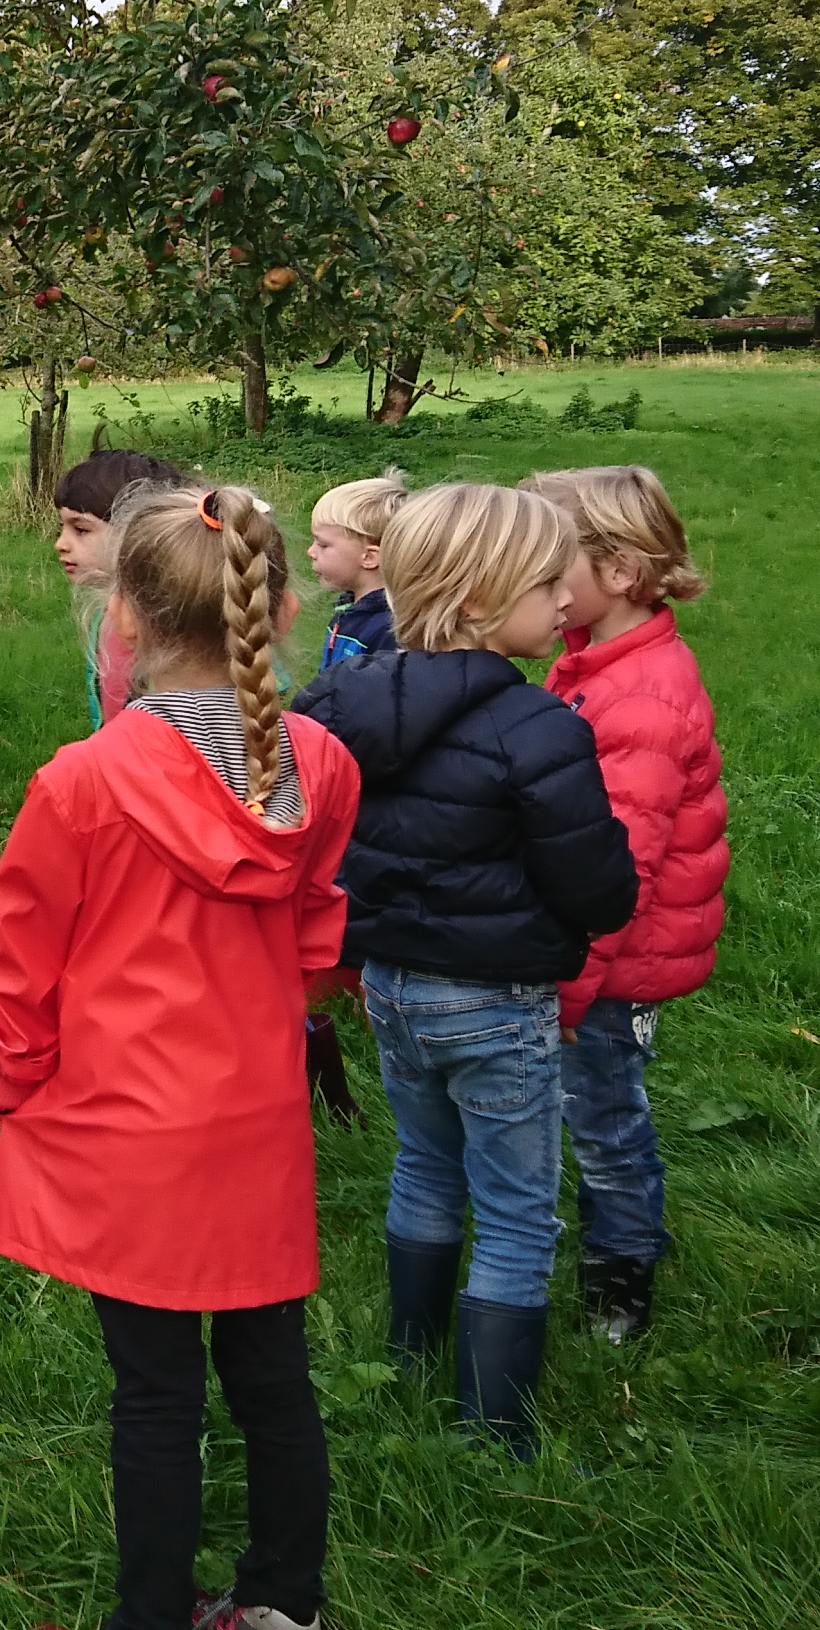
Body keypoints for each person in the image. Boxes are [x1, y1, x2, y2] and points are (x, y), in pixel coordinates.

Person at [0, 485, 359, 1630]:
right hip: (254, 1124)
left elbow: (22, 967)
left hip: (123, 1132)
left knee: (153, 1394)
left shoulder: (82, 782)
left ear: (125, 623)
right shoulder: (323, 763)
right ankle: (284, 1600)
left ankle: (152, 1613)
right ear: (283, 606)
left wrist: (15, 1087)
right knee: (273, 1377)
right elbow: (317, 940)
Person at [293, 483, 636, 1459]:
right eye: (545, 581)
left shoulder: (338, 706)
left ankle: (409, 1359)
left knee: (424, 1163)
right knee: (520, 1207)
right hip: (497, 1001)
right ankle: (494, 1431)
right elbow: (597, 887)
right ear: (483, 603)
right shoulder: (540, 730)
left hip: (393, 991)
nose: (566, 596)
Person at [522, 464, 729, 1345]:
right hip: (599, 956)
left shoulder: (639, 698)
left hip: (612, 967)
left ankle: (622, 1276)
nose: (529, 581)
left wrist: (568, 992)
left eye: (546, 563)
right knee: (591, 1108)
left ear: (616, 571)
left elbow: (618, 874)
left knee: (604, 1119)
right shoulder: (593, 667)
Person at [52, 449, 196, 729]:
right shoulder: (110, 613)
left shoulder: (156, 628)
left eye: (80, 530)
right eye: (63, 527)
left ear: (137, 533)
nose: (61, 543)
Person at [305, 474, 403, 673]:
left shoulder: (388, 631)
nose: (310, 552)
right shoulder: (349, 611)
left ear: (369, 557)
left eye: (322, 544)